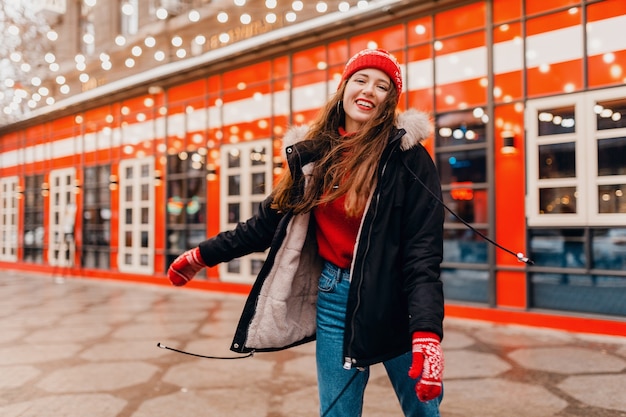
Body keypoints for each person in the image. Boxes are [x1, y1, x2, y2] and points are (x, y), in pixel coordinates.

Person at [168, 48, 445, 417]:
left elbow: (422, 251)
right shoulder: (314, 156)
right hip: (333, 297)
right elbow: (265, 224)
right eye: (360, 80)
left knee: (424, 411)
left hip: (395, 301)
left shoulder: (407, 159)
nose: (368, 91)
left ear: (389, 101)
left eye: (382, 86)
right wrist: (202, 255)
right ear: (344, 88)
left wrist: (427, 332)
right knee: (336, 412)